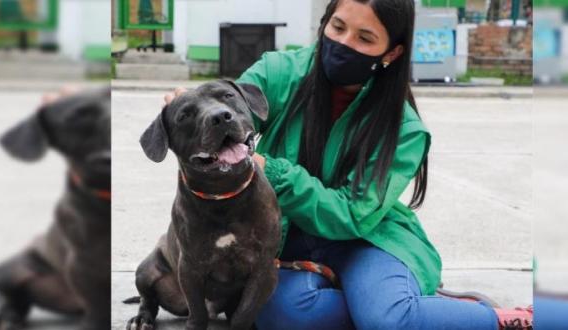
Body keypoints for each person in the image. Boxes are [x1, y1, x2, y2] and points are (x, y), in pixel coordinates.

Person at [166, 0, 531, 328]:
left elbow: (353, 214)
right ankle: (398, 306)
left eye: (365, 37)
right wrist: (194, 111)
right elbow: (233, 114)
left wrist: (270, 169)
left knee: (388, 321)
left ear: (391, 52)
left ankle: (500, 319)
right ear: (325, 21)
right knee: (279, 314)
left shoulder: (405, 128)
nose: (344, 43)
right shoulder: (280, 72)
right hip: (289, 236)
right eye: (338, 27)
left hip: (365, 239)